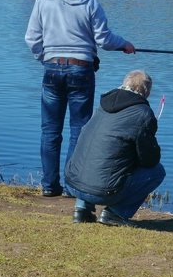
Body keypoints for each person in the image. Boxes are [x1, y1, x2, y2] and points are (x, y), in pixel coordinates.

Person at [25, 0, 135, 197]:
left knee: (50, 130)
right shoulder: (91, 2)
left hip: (52, 70)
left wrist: (45, 58)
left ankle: (48, 186)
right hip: (81, 71)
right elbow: (104, 40)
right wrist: (124, 44)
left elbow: (31, 38)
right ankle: (72, 187)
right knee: (79, 130)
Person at [65, 69, 165, 226]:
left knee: (96, 157)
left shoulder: (102, 106)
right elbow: (149, 161)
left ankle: (81, 209)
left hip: (73, 184)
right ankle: (116, 213)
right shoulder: (143, 113)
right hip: (103, 192)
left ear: (125, 84)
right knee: (157, 172)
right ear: (147, 92)